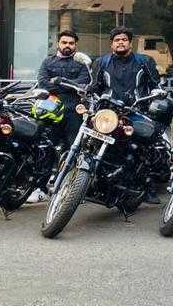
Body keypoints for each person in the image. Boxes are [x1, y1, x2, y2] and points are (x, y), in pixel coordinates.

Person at [88, 26, 164, 203]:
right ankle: (96, 182)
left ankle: (148, 186)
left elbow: (155, 85)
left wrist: (157, 95)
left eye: (124, 40)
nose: (120, 42)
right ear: (111, 44)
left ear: (130, 43)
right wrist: (88, 93)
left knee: (143, 148)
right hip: (109, 111)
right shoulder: (101, 62)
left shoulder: (144, 61)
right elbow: (95, 86)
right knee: (96, 143)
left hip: (136, 111)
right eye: (117, 40)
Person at [28, 30, 91, 204]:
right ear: (58, 44)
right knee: (45, 148)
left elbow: (83, 84)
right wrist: (68, 85)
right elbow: (43, 82)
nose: (67, 46)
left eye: (71, 43)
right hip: (49, 110)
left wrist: (57, 82)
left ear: (75, 45)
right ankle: (40, 188)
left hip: (73, 111)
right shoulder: (48, 61)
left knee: (74, 150)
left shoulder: (82, 64)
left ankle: (71, 191)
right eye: (64, 42)